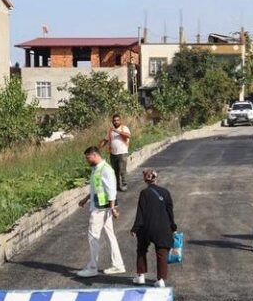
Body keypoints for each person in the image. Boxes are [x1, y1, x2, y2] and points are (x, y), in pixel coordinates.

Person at [76, 146, 125, 278]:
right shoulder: (97, 169)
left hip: (101, 209)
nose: (87, 160)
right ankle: (118, 264)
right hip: (100, 206)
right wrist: (86, 199)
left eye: (88, 158)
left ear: (95, 155)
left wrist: (113, 208)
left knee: (93, 236)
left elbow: (111, 191)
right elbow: (96, 188)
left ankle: (93, 267)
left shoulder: (106, 170)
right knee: (109, 235)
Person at [130, 168, 177, 287]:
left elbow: (141, 212)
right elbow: (170, 211)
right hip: (163, 227)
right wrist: (173, 226)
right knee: (161, 253)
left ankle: (140, 276)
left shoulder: (144, 193)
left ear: (145, 180)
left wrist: (135, 228)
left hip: (147, 227)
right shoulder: (166, 192)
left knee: (141, 249)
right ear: (156, 178)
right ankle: (161, 280)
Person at [99, 113, 131, 192]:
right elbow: (105, 140)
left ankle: (124, 184)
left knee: (122, 170)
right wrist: (98, 147)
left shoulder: (124, 128)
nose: (116, 122)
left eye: (117, 120)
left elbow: (128, 135)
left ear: (120, 121)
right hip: (113, 154)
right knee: (115, 171)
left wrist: (117, 131)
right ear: (112, 122)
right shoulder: (110, 131)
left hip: (122, 153)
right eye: (114, 120)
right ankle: (117, 185)